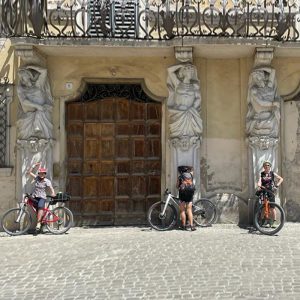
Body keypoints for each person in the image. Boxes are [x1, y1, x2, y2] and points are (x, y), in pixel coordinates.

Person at [17, 65, 53, 140]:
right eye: (22, 77)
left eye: (24, 75)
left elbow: (44, 71)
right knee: (27, 137)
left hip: (43, 111)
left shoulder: (38, 85)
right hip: (30, 113)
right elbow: (24, 101)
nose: (23, 78)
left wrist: (31, 66)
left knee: (43, 133)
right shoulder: (21, 89)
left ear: (29, 75)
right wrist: (37, 106)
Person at [167, 63, 202, 139]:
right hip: (178, 113)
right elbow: (169, 70)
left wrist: (192, 110)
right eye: (188, 70)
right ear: (183, 72)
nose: (190, 73)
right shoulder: (178, 84)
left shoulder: (195, 86)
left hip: (190, 113)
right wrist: (181, 65)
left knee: (191, 136)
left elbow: (198, 99)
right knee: (176, 137)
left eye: (192, 71)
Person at [27, 162, 55, 231]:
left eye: (43, 173)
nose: (41, 174)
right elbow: (29, 172)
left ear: (45, 174)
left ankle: (38, 223)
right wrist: (34, 165)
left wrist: (53, 193)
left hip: (42, 197)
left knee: (40, 207)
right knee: (37, 211)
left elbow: (51, 188)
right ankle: (41, 224)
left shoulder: (47, 181)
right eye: (40, 173)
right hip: (35, 197)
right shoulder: (36, 178)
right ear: (38, 174)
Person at [256, 161, 283, 227]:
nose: (266, 166)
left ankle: (273, 222)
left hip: (271, 192)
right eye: (265, 165)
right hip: (264, 191)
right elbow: (259, 182)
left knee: (272, 207)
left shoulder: (272, 173)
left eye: (268, 165)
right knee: (263, 207)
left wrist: (276, 186)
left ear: (270, 166)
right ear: (263, 167)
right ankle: (264, 221)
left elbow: (281, 179)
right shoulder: (262, 174)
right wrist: (259, 185)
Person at [177, 166, 196, 231]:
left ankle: (183, 226)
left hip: (182, 195)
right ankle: (191, 226)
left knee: (182, 211)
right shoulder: (191, 175)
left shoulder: (180, 176)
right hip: (190, 194)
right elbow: (192, 169)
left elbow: (177, 186)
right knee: (189, 210)